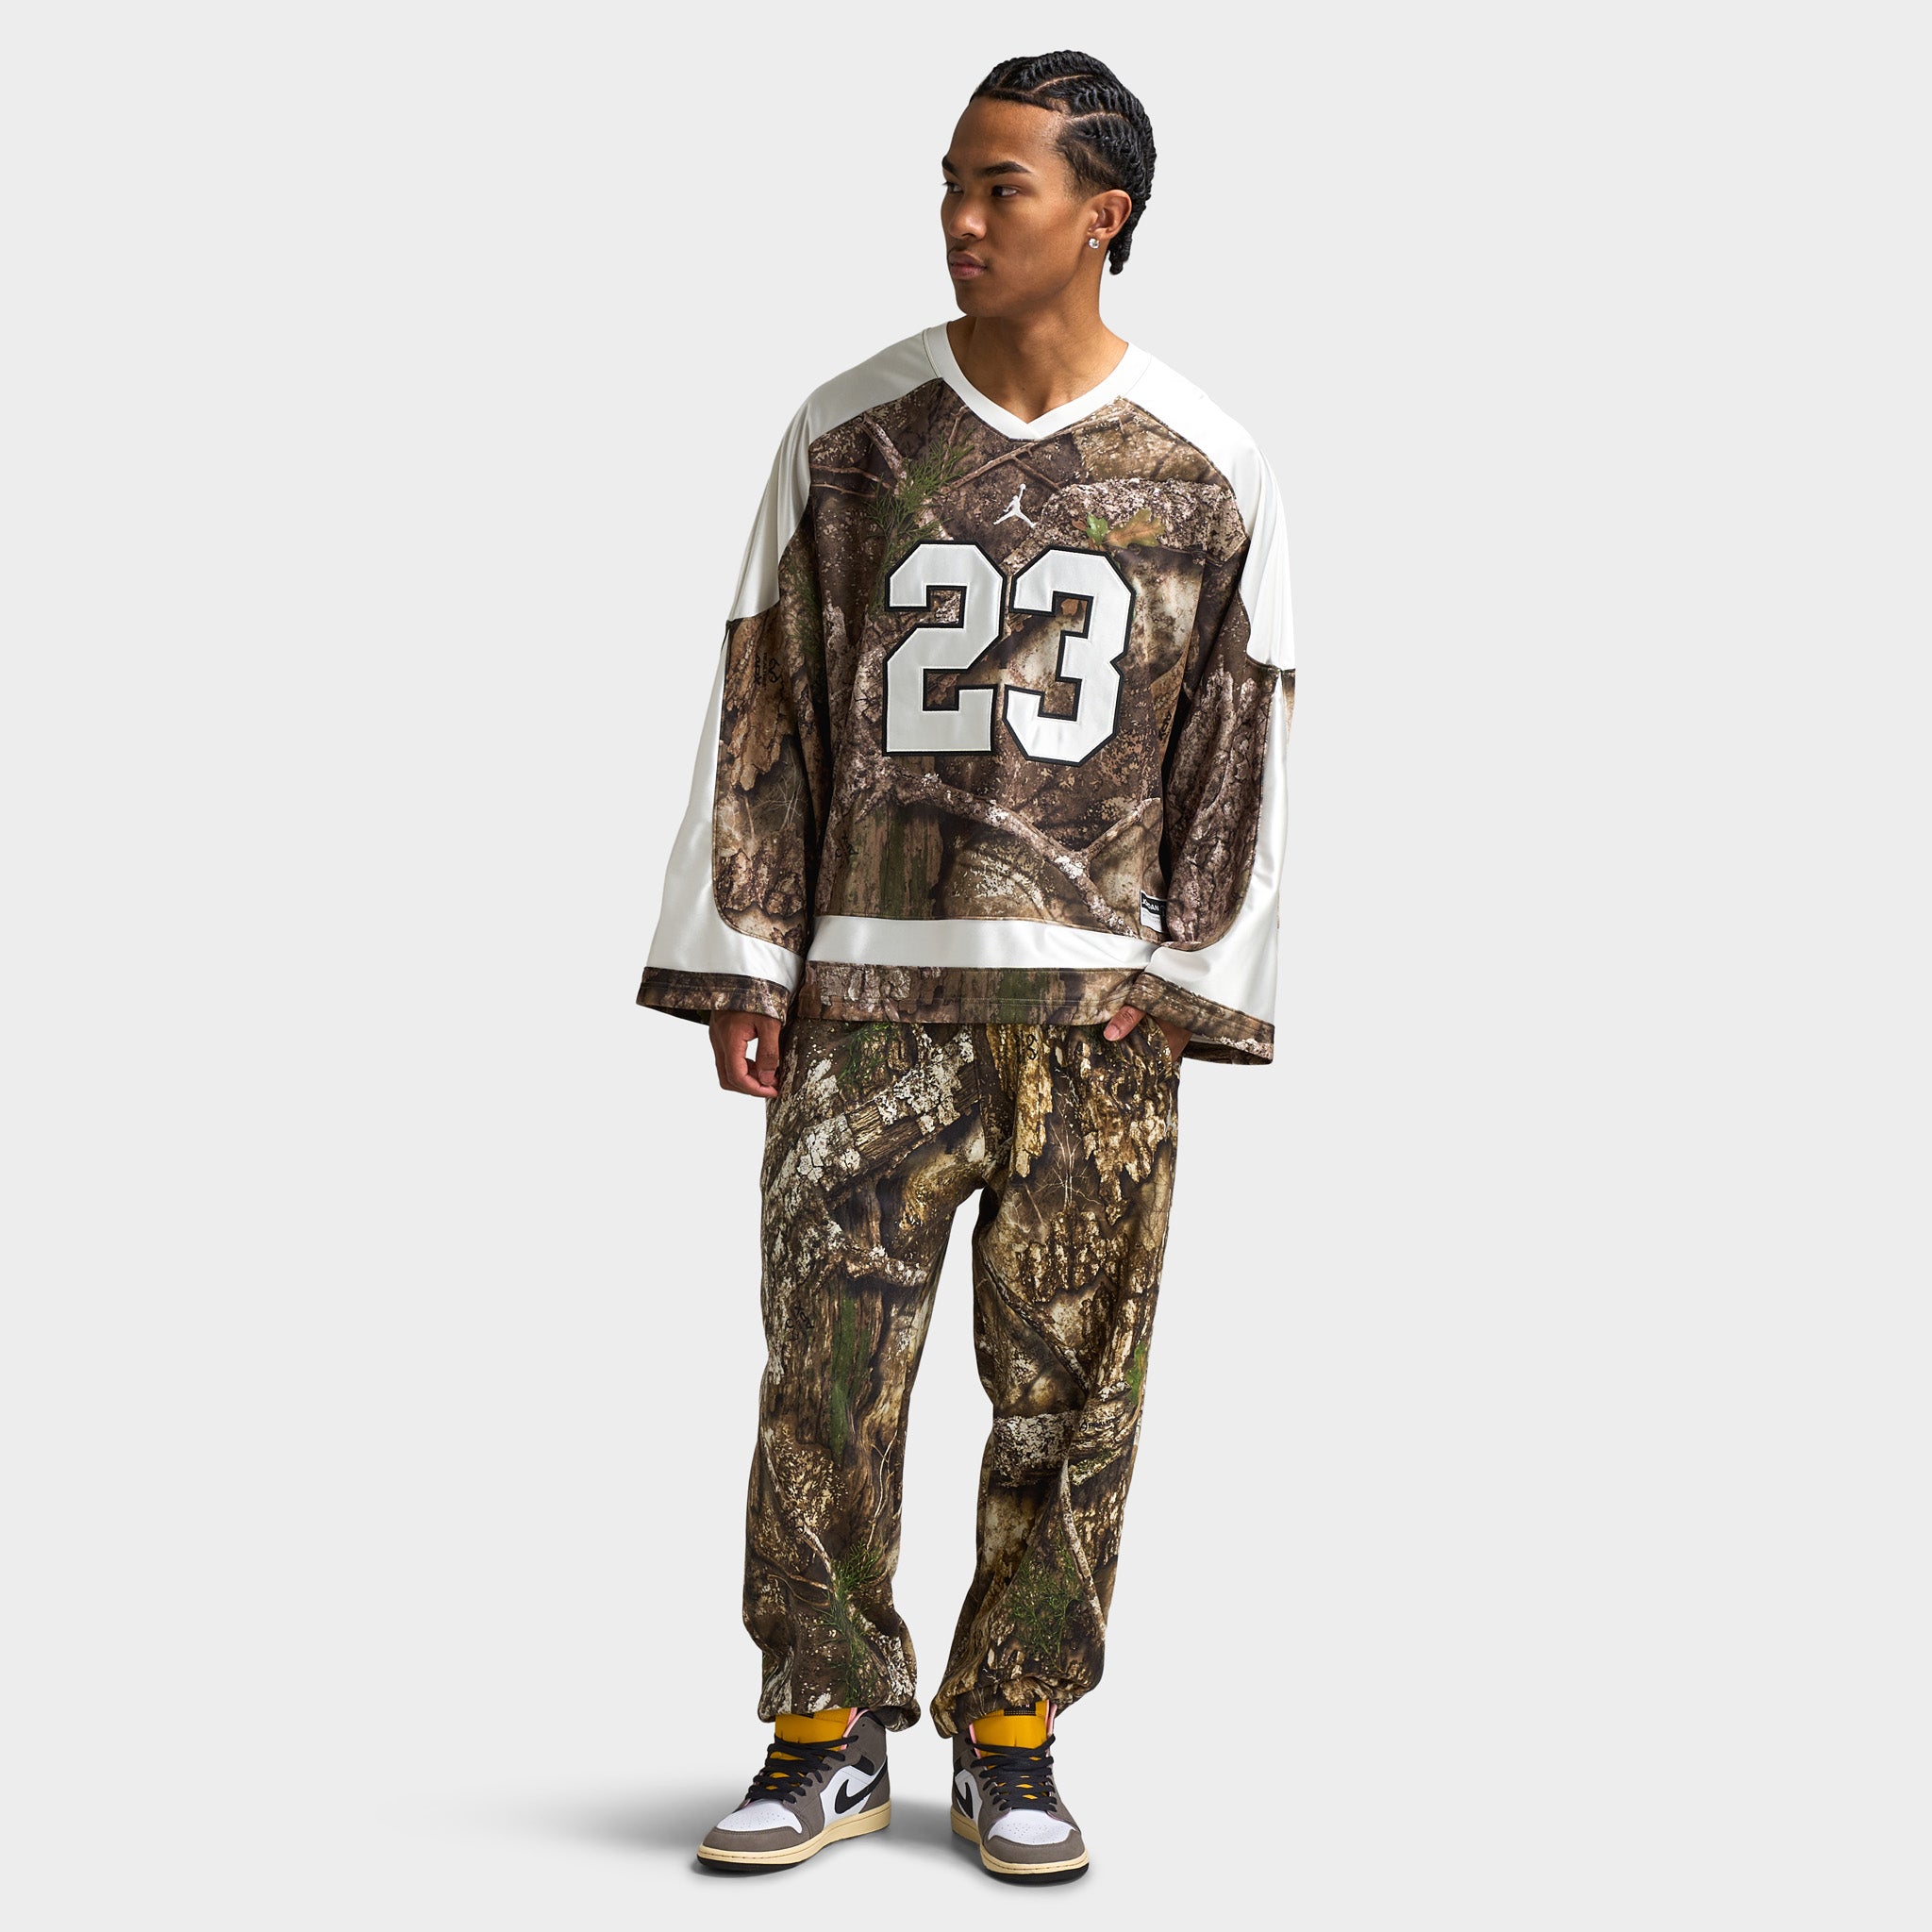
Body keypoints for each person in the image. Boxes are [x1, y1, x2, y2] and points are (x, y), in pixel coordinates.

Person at [636, 49, 1294, 1883]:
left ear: (1105, 214)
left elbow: (1240, 740)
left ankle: (1014, 1734)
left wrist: (1182, 978)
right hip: (866, 1001)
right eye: (951, 180)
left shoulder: (1207, 458)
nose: (962, 217)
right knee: (825, 1377)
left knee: (1071, 1386)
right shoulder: (849, 432)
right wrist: (747, 958)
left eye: (1004, 185)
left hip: (1092, 1014)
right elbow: (764, 698)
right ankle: (822, 1728)